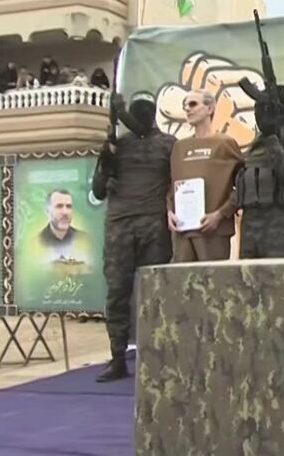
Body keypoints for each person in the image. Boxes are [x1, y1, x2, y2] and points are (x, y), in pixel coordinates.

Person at [91, 93, 176, 382]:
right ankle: (118, 358)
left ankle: (156, 356)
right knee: (117, 292)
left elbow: (179, 183)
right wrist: (107, 158)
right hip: (120, 226)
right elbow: (98, 190)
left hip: (153, 225)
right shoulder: (118, 144)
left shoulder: (168, 144)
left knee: (155, 292)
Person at [167, 89, 244, 262]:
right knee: (182, 277)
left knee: (213, 278)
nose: (188, 109)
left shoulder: (225, 143)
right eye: (185, 105)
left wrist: (221, 214)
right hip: (183, 232)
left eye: (193, 104)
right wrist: (169, 211)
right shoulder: (179, 147)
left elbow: (243, 185)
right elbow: (170, 185)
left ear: (210, 108)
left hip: (214, 232)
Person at [235, 93, 284, 258]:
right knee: (248, 273)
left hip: (279, 224)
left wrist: (272, 138)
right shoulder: (254, 148)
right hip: (250, 228)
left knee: (282, 273)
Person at [38, 189, 91, 260]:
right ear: (48, 212)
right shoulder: (36, 243)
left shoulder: (85, 240)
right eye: (59, 206)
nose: (65, 212)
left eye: (68, 206)